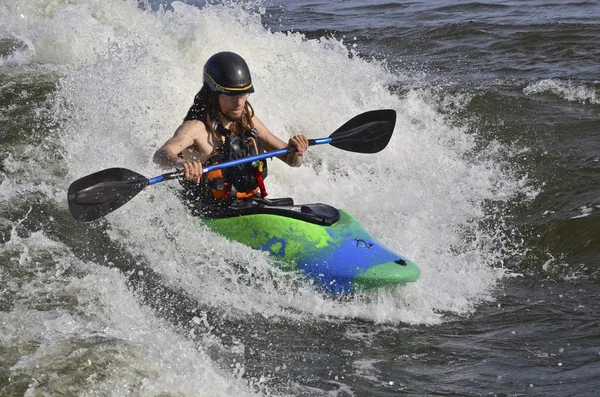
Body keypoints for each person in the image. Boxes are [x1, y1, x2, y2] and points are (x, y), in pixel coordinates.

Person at [153, 51, 309, 217]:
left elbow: (293, 162)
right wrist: (182, 163)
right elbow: (161, 155)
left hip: (252, 205)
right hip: (213, 214)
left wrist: (296, 150)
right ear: (214, 94)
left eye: (243, 94)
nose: (239, 102)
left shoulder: (248, 121)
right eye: (231, 95)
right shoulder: (196, 128)